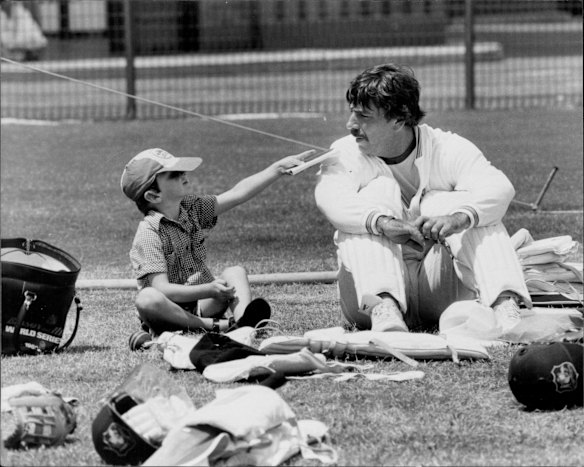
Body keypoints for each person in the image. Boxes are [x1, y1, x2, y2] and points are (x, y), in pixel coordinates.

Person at [314, 63, 531, 334]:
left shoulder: (446, 146)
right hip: (365, 303)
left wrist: (457, 218)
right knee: (376, 193)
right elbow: (330, 199)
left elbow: (499, 187)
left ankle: (505, 307)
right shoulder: (345, 152)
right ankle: (384, 308)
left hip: (439, 287)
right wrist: (382, 223)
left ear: (399, 119)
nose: (351, 125)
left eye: (364, 116)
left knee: (456, 205)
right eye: (352, 114)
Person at [121, 147, 314, 341]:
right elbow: (162, 290)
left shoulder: (192, 208)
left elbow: (237, 193)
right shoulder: (149, 232)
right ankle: (221, 326)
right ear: (154, 196)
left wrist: (277, 169)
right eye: (174, 174)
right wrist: (209, 289)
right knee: (147, 299)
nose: (184, 175)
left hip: (202, 304)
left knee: (235, 272)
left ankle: (244, 325)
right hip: (168, 312)